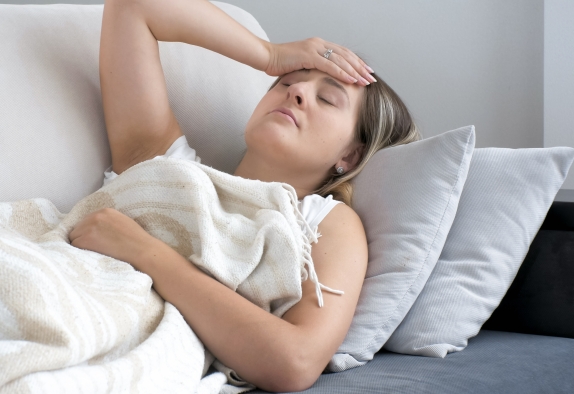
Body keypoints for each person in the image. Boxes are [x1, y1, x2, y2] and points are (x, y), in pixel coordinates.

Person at [69, 0, 420, 391]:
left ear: (349, 156)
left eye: (327, 98)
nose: (298, 91)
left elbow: (296, 361)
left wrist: (143, 252)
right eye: (287, 82)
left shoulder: (323, 223)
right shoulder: (164, 165)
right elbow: (133, 7)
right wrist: (270, 55)